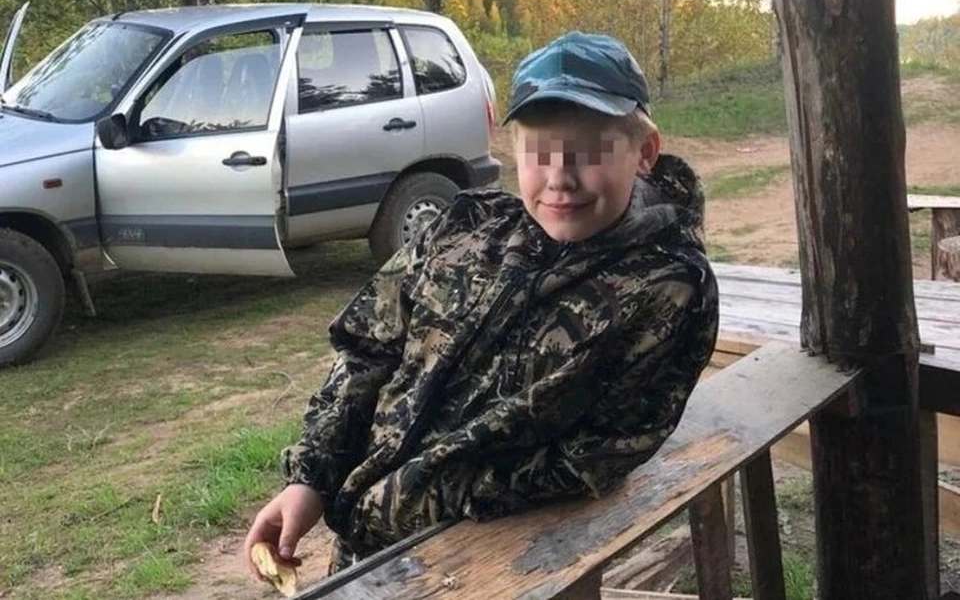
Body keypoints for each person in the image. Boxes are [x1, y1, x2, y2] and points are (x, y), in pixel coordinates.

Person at [244, 31, 720, 579]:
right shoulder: (464, 225)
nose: (560, 178)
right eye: (538, 151)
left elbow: (599, 453)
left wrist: (410, 498)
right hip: (368, 549)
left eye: (589, 152)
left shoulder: (668, 288)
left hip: (493, 558)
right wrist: (310, 479)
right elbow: (367, 350)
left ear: (645, 152)